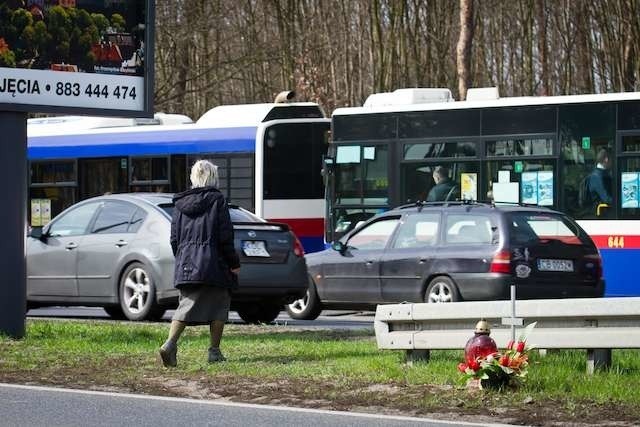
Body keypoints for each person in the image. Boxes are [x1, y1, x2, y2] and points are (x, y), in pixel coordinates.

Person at [159, 160, 241, 367]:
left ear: (193, 178)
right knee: (220, 305)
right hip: (215, 263)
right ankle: (214, 351)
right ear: (213, 177)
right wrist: (233, 262)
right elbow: (225, 236)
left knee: (185, 305)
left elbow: (174, 239)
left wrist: (183, 259)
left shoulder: (179, 204)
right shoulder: (217, 200)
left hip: (187, 263)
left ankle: (170, 344)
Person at [586, 148, 612, 215]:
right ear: (606, 159)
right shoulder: (596, 176)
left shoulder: (604, 174)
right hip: (599, 215)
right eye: (612, 159)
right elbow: (606, 198)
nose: (612, 163)